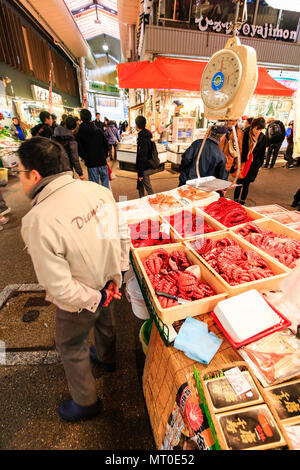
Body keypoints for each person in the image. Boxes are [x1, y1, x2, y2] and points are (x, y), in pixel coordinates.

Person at [18, 136, 131, 421]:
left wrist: (97, 296)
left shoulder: (38, 219)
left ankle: (86, 402)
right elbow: (121, 234)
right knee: (106, 320)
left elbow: (59, 286)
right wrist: (117, 276)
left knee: (70, 344)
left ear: (34, 175)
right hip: (109, 280)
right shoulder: (96, 190)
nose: (20, 178)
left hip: (82, 298)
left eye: (19, 171)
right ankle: (107, 358)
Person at [234, 117, 267, 205]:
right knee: (239, 183)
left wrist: (259, 164)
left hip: (253, 164)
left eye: (260, 129)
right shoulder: (245, 133)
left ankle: (242, 203)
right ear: (253, 126)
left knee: (246, 184)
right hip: (243, 163)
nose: (258, 131)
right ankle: (235, 201)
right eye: (257, 129)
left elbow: (262, 152)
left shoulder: (263, 137)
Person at [76, 109, 109, 188]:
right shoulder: (98, 130)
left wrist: (86, 158)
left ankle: (98, 200)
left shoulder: (79, 133)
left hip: (91, 163)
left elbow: (80, 150)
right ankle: (107, 200)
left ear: (81, 118)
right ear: (91, 117)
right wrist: (105, 155)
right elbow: (106, 144)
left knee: (95, 187)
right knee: (105, 187)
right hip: (102, 161)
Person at [53, 116, 84, 180]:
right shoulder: (71, 139)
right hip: (67, 168)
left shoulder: (55, 133)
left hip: (55, 167)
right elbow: (74, 157)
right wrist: (80, 173)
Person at [135, 115, 154, 198]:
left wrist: (141, 172)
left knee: (147, 185)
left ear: (137, 125)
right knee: (140, 184)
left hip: (143, 168)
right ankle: (141, 200)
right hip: (142, 167)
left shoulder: (143, 139)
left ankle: (154, 200)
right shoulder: (143, 135)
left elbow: (143, 156)